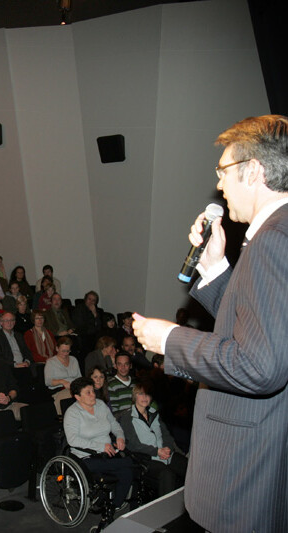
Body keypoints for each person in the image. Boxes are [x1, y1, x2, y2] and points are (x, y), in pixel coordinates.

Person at [132, 115, 288, 533]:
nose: (218, 184)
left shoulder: (274, 240)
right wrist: (217, 268)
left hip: (247, 467)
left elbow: (260, 366)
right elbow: (264, 330)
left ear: (253, 171)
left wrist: (170, 339)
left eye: (223, 171)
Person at [63, 377, 133, 511]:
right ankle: (131, 461)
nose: (93, 395)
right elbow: (72, 440)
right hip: (85, 457)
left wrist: (120, 437)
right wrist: (101, 446)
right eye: (88, 392)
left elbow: (114, 424)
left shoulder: (100, 405)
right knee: (127, 463)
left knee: (127, 473)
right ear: (77, 397)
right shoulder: (72, 413)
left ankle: (113, 507)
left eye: (93, 391)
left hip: (107, 453)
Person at [119, 384, 188, 498]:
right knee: (167, 474)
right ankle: (166, 507)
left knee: (187, 466)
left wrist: (167, 448)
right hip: (146, 457)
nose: (145, 397)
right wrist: (157, 451)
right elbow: (133, 445)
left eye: (147, 394)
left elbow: (166, 435)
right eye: (141, 394)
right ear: (134, 397)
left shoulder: (154, 413)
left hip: (165, 454)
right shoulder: (127, 417)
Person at [44, 336, 82, 413]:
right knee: (74, 397)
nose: (65, 354)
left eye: (68, 351)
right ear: (57, 349)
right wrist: (62, 381)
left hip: (74, 388)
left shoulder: (73, 360)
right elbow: (48, 382)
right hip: (59, 390)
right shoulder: (51, 362)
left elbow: (79, 378)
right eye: (63, 351)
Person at [108, 352, 135, 417]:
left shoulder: (136, 383)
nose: (123, 367)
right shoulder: (111, 385)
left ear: (130, 366)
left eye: (126, 364)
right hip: (122, 420)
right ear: (115, 366)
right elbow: (114, 411)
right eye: (120, 364)